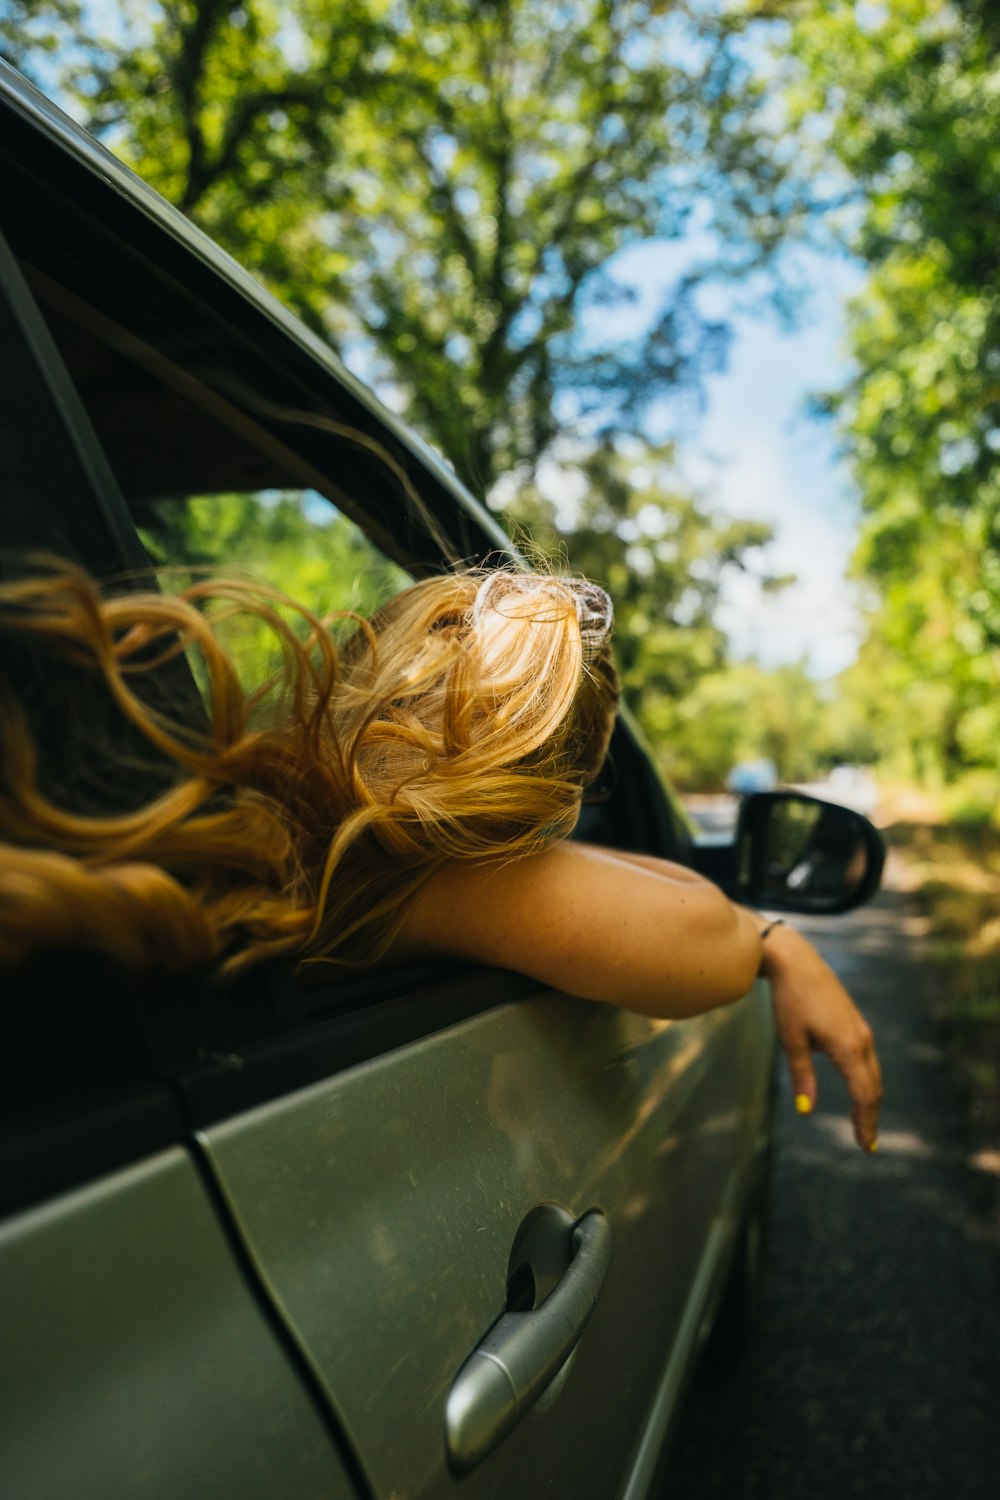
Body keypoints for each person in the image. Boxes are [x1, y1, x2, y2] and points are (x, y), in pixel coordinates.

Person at [0, 559, 881, 1151]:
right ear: (556, 806)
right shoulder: (429, 882)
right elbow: (707, 935)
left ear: (361, 663)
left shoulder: (245, 819)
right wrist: (776, 939)